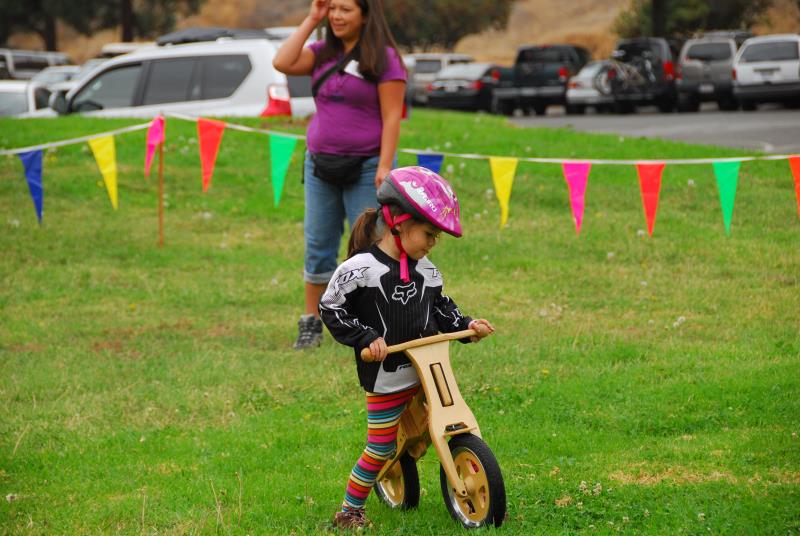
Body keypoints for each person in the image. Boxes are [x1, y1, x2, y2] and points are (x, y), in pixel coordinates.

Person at [319, 166, 495, 529]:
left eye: (436, 237)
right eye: (429, 234)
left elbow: (443, 308)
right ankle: (349, 510)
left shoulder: (428, 271)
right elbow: (330, 306)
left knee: (451, 425)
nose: (432, 243)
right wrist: (367, 338)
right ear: (399, 222)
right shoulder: (359, 270)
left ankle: (486, 493)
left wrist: (468, 325)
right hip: (385, 377)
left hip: (427, 371)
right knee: (381, 447)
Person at [272, 0, 407, 349]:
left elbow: (392, 116)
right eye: (331, 8)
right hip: (319, 165)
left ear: (365, 14)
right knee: (317, 246)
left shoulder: (384, 59)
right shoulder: (320, 53)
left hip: (365, 167)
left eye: (345, 9)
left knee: (369, 247)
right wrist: (311, 18)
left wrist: (384, 164)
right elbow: (282, 61)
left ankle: (377, 322)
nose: (336, 15)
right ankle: (310, 324)